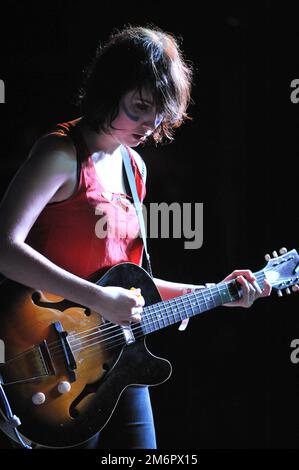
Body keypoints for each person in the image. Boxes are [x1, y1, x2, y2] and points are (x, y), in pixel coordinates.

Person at [0, 25, 272, 450]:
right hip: (49, 360)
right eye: (139, 108)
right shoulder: (59, 153)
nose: (149, 125)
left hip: (119, 355)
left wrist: (216, 292)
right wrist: (99, 299)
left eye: (159, 114)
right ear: (109, 92)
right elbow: (4, 249)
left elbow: (130, 287)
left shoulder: (135, 169)